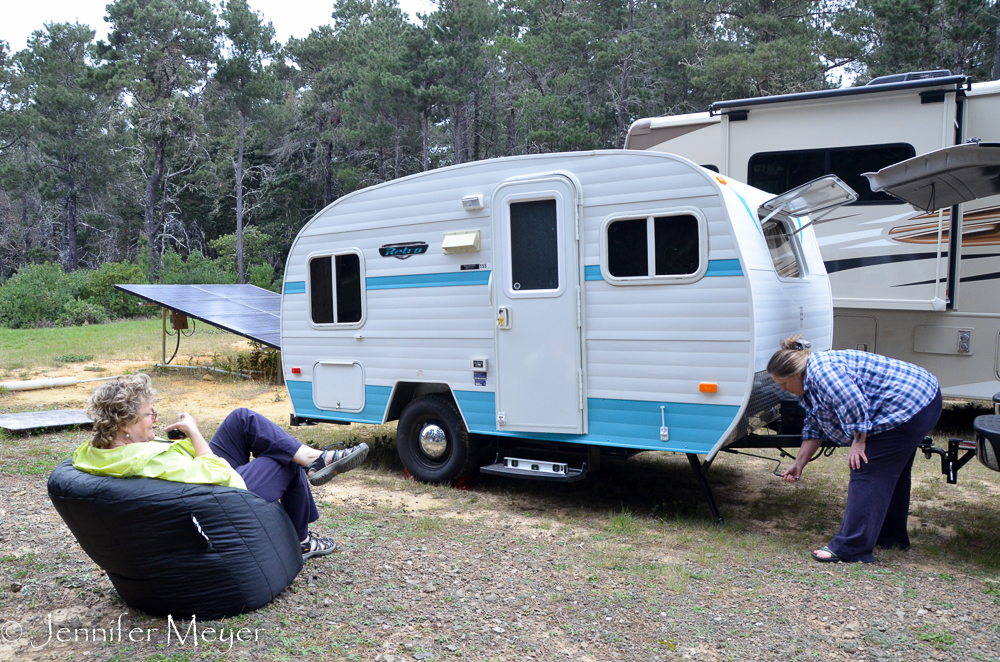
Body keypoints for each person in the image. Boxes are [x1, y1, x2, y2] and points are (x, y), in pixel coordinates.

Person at [73, 373, 369, 560]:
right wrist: (196, 434)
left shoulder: (93, 453)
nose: (155, 419)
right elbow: (221, 476)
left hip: (199, 478)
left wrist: (175, 439)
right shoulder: (150, 458)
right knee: (283, 458)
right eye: (150, 414)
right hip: (224, 495)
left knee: (242, 419)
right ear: (125, 423)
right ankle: (303, 537)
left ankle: (313, 459)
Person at [768, 335, 942, 563]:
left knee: (866, 468)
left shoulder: (822, 372)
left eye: (784, 384)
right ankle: (890, 537)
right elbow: (815, 423)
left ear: (797, 374)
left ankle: (851, 547)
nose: (784, 390)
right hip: (923, 398)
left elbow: (852, 401)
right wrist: (799, 463)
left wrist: (859, 442)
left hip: (909, 402)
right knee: (888, 474)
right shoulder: (810, 383)